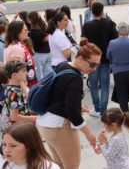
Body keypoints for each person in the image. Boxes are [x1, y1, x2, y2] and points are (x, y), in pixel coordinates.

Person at [37, 39, 100, 169]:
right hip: (59, 126)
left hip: (45, 123)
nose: (94, 69)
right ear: (81, 59)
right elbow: (71, 111)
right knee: (72, 165)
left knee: (59, 163)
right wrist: (89, 134)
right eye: (93, 65)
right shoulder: (75, 79)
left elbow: (59, 94)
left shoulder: (63, 65)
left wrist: (77, 103)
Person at [81, 2, 118, 117]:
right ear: (102, 11)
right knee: (105, 85)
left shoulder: (86, 25)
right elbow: (115, 40)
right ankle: (103, 110)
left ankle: (97, 107)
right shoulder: (110, 23)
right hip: (105, 58)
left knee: (93, 84)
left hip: (92, 59)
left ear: (91, 11)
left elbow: (83, 42)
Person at [1, 61, 37, 131]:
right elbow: (14, 117)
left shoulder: (10, 88)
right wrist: (35, 118)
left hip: (17, 127)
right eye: (23, 71)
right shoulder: (15, 92)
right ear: (14, 75)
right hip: (18, 129)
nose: (26, 73)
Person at [3, 21, 37, 88]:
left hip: (25, 84)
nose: (28, 31)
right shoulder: (16, 49)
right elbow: (18, 73)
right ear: (17, 32)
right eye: (25, 30)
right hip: (21, 87)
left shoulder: (18, 45)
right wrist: (25, 91)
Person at [27, 11, 52, 80]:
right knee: (49, 74)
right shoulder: (44, 27)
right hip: (48, 52)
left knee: (39, 76)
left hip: (39, 54)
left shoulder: (33, 31)